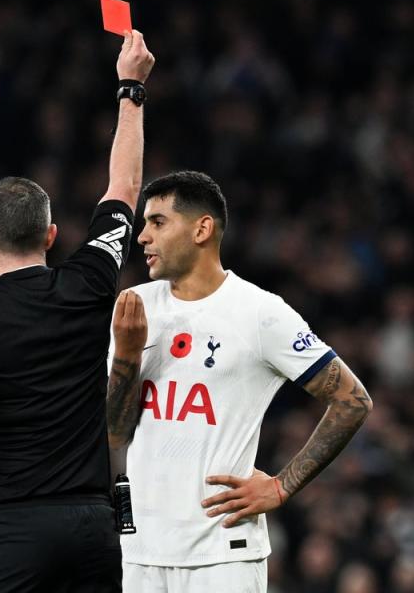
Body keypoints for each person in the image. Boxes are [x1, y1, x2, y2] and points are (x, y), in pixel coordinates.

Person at [0, 30, 155, 591]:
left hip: (18, 528)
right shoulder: (89, 280)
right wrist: (130, 88)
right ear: (52, 235)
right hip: (96, 529)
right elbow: (126, 186)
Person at [106, 171, 373, 592]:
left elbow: (353, 400)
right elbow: (117, 432)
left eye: (157, 222)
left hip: (222, 554)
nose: (142, 237)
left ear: (202, 229)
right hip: (141, 553)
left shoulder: (260, 313)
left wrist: (282, 487)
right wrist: (125, 353)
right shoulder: (136, 307)